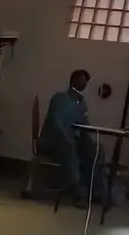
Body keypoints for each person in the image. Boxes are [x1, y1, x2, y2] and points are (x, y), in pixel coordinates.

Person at [38, 69, 101, 206]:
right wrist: (67, 139)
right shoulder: (59, 98)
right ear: (73, 80)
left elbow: (84, 125)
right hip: (52, 141)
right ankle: (78, 191)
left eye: (86, 81)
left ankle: (95, 190)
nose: (83, 83)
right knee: (69, 147)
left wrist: (88, 138)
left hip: (70, 141)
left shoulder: (80, 103)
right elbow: (56, 123)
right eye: (81, 79)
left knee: (95, 150)